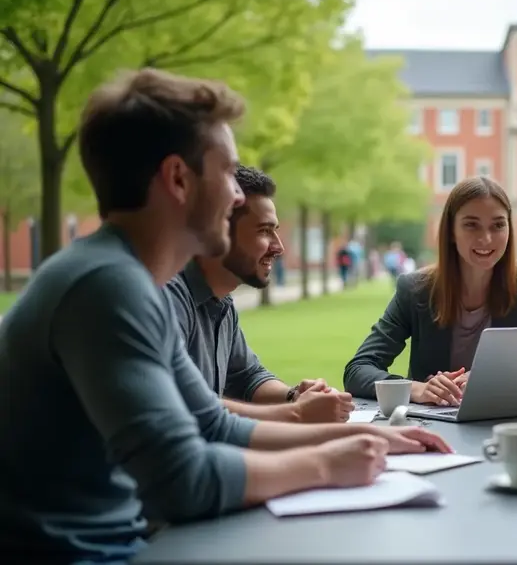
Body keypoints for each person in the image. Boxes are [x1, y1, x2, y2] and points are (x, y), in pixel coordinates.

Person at [0, 68, 450, 564]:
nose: (238, 195)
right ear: (177, 179)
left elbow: (214, 425)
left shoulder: (125, 279)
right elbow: (182, 481)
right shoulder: (107, 286)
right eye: (227, 173)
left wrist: (368, 435)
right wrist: (325, 463)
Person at [344, 175, 517, 403]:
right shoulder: (415, 289)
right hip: (435, 426)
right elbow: (358, 370)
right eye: (471, 225)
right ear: (450, 231)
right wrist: (418, 389)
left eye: (498, 225)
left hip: (509, 424)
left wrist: (486, 378)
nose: (486, 238)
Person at [165, 164, 354, 423]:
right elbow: (178, 403)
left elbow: (247, 376)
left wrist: (295, 396)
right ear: (219, 230)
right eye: (265, 231)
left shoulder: (221, 301)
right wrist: (295, 413)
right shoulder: (168, 296)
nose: (279, 247)